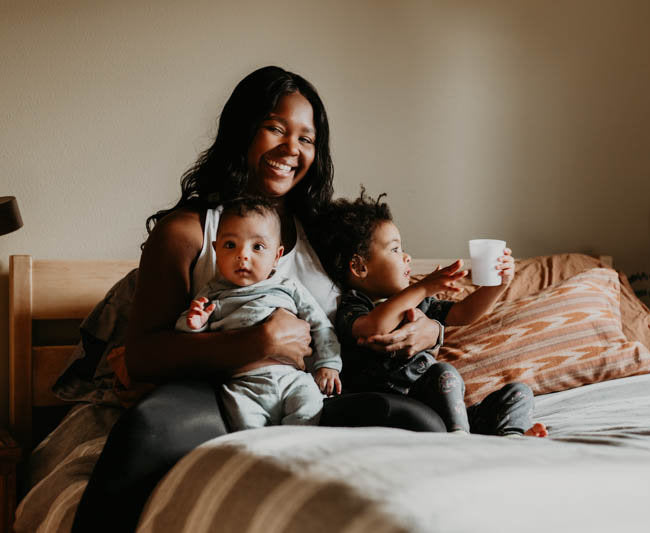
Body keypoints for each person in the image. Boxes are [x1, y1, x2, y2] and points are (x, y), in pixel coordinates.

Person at [72, 66, 446, 533]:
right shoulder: (188, 231)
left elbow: (378, 300)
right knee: (147, 429)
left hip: (310, 395)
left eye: (307, 139)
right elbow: (146, 355)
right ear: (243, 131)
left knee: (419, 422)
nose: (292, 148)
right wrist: (257, 341)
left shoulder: (323, 233)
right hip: (215, 395)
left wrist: (430, 329)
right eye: (276, 128)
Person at [313, 189, 549, 437]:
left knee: (520, 392)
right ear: (360, 266)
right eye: (394, 250)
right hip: (399, 411)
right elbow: (374, 326)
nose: (407, 256)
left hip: (447, 409)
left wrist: (499, 284)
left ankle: (511, 437)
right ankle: (460, 439)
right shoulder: (355, 304)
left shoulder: (421, 301)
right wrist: (423, 287)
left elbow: (464, 313)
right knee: (443, 372)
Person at [176, 196, 342, 429]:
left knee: (309, 409)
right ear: (215, 250)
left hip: (292, 378)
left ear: (277, 256)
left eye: (258, 247)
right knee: (247, 430)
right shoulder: (212, 293)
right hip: (242, 385)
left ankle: (294, 452)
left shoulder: (288, 286)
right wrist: (194, 323)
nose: (243, 255)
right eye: (230, 245)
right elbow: (189, 340)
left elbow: (320, 324)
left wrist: (329, 363)